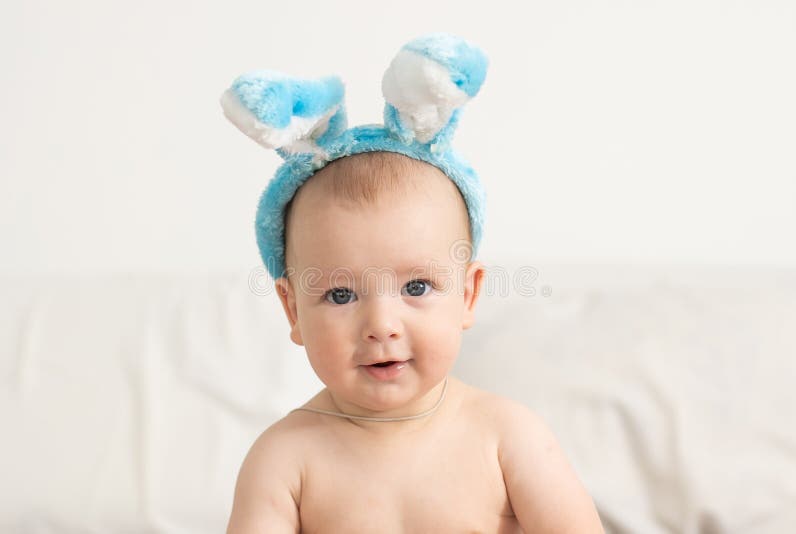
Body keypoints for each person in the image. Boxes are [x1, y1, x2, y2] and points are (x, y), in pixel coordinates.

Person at [221, 33, 605, 533]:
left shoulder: (506, 439)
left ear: (467, 295)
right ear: (293, 311)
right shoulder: (284, 461)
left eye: (417, 287)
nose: (381, 325)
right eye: (340, 294)